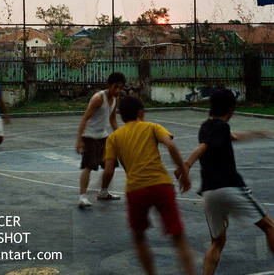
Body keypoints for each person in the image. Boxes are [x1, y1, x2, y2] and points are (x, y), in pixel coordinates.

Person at [178, 88, 274, 275]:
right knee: (269, 225)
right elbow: (202, 146)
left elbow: (234, 137)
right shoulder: (221, 127)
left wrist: (258, 134)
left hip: (209, 193)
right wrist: (186, 165)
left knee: (217, 241)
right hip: (230, 187)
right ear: (231, 109)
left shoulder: (207, 126)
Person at [102, 95, 195, 275]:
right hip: (162, 185)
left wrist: (103, 189)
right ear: (141, 113)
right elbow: (171, 145)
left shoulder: (113, 138)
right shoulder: (152, 127)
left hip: (136, 190)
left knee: (139, 237)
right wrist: (184, 172)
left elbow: (108, 170)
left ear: (121, 117)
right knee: (178, 237)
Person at [75, 71, 126, 207]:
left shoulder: (116, 99)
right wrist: (79, 139)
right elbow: (85, 118)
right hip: (90, 136)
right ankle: (82, 196)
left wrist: (120, 134)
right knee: (89, 166)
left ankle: (103, 193)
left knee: (110, 165)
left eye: (120, 87)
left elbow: (113, 119)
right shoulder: (98, 98)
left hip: (104, 136)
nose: (118, 90)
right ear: (108, 85)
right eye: (115, 87)